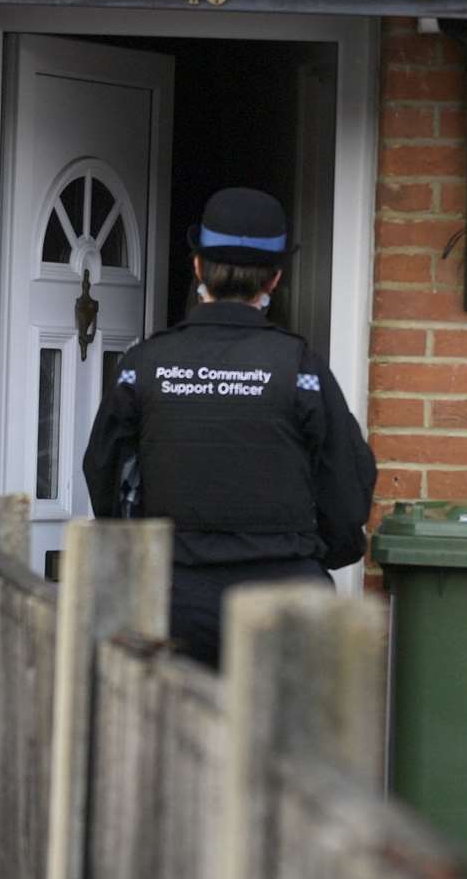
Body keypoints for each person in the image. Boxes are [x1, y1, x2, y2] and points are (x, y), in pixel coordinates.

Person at [82, 187, 376, 668]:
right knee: (283, 741)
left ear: (198, 268)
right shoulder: (300, 369)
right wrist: (310, 557)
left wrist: (147, 556)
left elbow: (104, 472)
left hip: (170, 598)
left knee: (172, 738)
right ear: (276, 278)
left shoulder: (144, 364)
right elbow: (346, 485)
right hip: (285, 599)